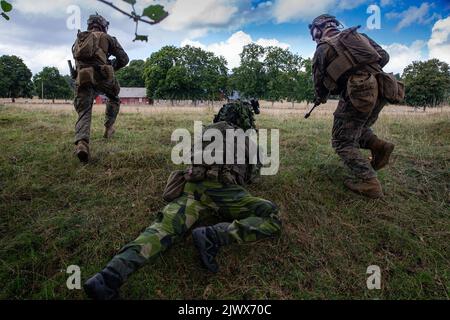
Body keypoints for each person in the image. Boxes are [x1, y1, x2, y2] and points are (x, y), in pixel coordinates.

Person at [83, 101, 282, 300]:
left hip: (191, 188)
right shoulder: (247, 139)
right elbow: (255, 177)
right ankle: (214, 236)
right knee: (271, 215)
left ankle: (107, 277)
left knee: (161, 230)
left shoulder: (204, 133)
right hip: (224, 192)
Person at [309, 14, 398, 199]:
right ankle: (379, 146)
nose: (314, 37)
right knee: (358, 127)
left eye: (313, 33)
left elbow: (319, 84)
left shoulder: (323, 49)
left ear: (319, 28)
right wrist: (363, 68)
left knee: (342, 141)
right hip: (382, 87)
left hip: (359, 92)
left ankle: (369, 182)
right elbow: (384, 56)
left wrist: (321, 97)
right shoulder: (360, 36)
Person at [71, 14, 129, 163]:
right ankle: (109, 128)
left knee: (84, 111)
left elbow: (77, 60)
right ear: (103, 25)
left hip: (83, 77)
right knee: (114, 97)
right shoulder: (107, 38)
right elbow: (124, 59)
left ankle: (82, 143)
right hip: (103, 76)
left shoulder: (79, 40)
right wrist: (111, 66)